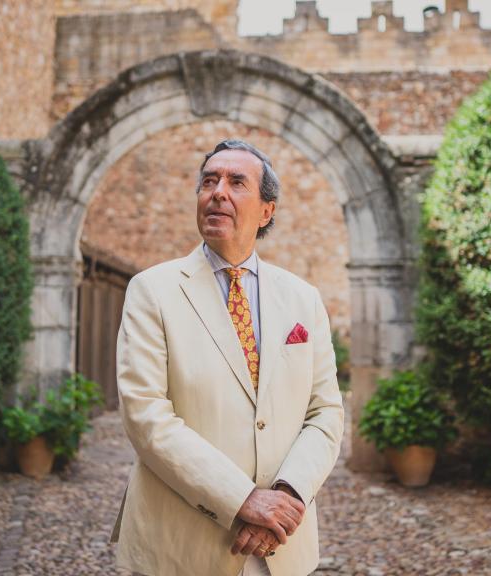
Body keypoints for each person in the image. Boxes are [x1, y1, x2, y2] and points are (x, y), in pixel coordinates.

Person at [109, 138, 344, 576]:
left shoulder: (303, 299)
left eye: (237, 182)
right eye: (209, 181)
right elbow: (146, 415)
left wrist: (287, 497)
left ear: (267, 211)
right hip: (180, 546)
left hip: (281, 547)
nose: (218, 191)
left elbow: (325, 411)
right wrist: (243, 499)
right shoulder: (151, 291)